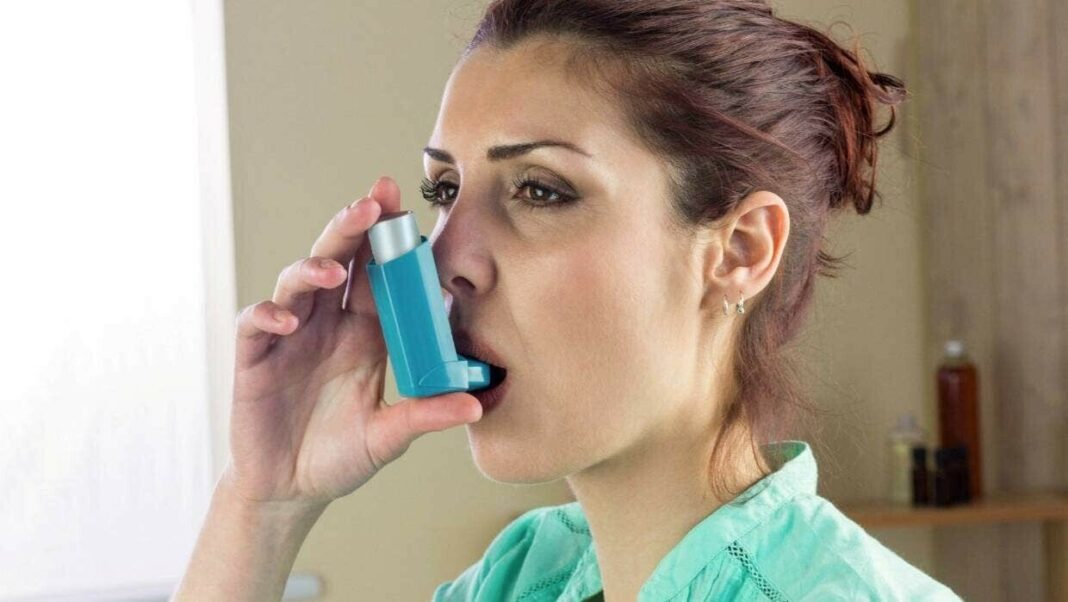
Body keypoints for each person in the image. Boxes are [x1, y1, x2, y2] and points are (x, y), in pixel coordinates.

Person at [174, 0, 964, 600]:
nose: (444, 263)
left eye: (540, 190)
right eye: (443, 191)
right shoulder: (521, 578)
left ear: (740, 251)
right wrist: (264, 503)